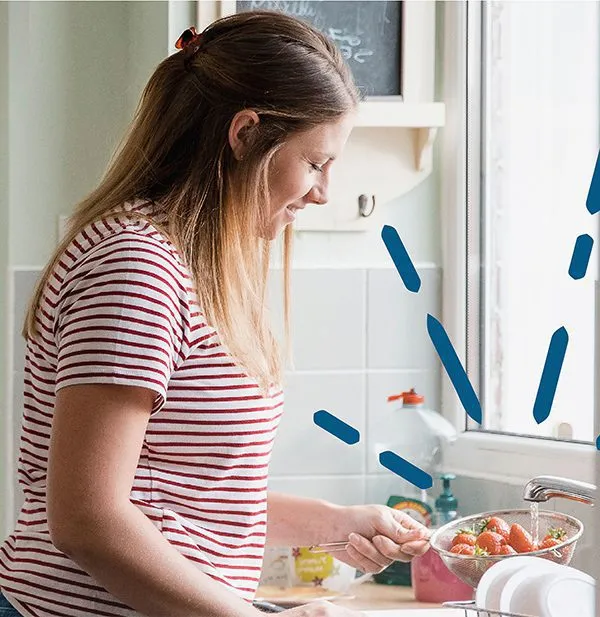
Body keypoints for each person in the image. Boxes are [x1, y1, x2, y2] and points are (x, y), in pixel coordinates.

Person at [0, 11, 430, 617]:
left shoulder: (191, 264)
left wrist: (334, 524)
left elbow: (189, 502)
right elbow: (88, 519)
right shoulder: (135, 266)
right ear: (246, 134)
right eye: (314, 162)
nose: (322, 192)